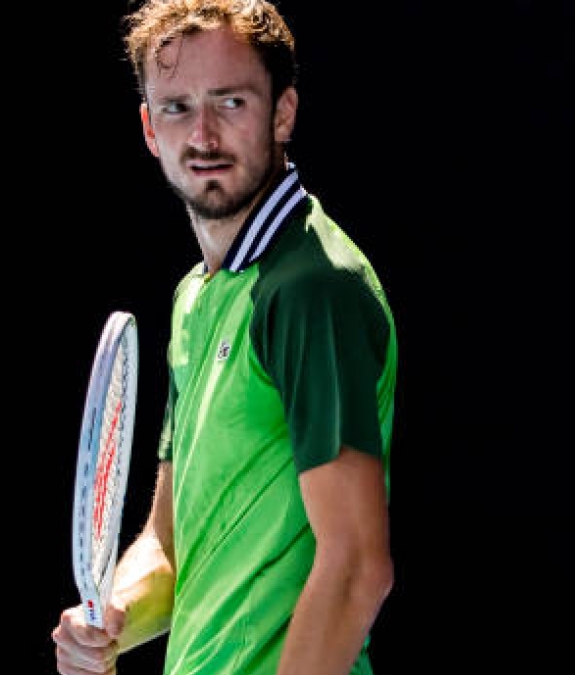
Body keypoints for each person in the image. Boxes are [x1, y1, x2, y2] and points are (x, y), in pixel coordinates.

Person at [51, 2, 398, 674]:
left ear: (283, 112)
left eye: (230, 101)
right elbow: (170, 545)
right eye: (177, 107)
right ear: (151, 128)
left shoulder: (308, 289)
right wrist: (113, 616)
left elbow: (357, 565)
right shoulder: (196, 298)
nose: (203, 134)